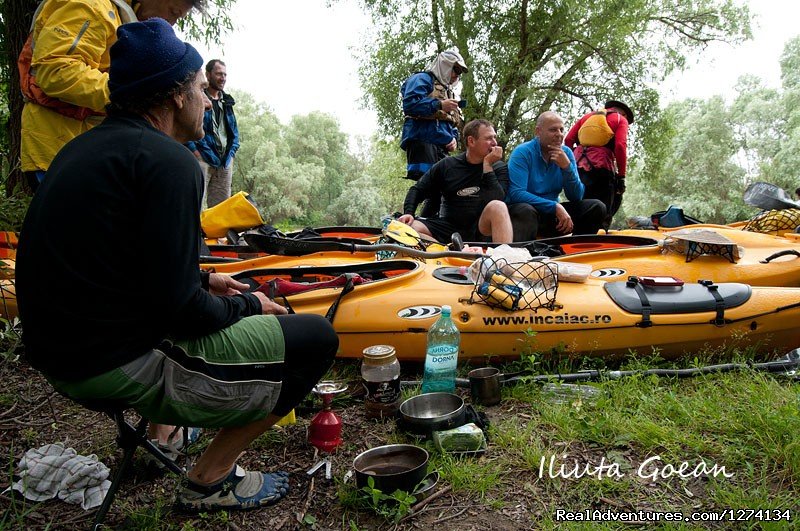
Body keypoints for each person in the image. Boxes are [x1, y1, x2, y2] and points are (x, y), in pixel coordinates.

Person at [15, 19, 339, 512]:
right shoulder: (170, 162)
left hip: (58, 355)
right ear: (173, 96)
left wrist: (207, 279)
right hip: (110, 362)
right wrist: (250, 303)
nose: (208, 101)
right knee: (316, 340)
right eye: (198, 88)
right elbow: (182, 313)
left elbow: (114, 261)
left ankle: (185, 446)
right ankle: (210, 479)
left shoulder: (80, 151)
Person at [19, 0, 202, 190]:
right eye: (173, 12)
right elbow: (56, 71)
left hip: (85, 150)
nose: (170, 23)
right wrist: (133, 94)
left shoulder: (119, 16)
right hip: (56, 149)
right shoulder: (90, 5)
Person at [398, 119, 513, 243]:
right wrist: (409, 213)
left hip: (480, 229)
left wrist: (488, 166)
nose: (495, 143)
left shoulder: (498, 167)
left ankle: (503, 259)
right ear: (471, 141)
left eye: (495, 137)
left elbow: (498, 197)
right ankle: (447, 250)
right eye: (489, 138)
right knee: (408, 228)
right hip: (449, 228)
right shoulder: (447, 165)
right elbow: (417, 189)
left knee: (498, 206)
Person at [506, 111, 606, 238]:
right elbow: (516, 193)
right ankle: (527, 251)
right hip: (527, 213)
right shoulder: (522, 152)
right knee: (525, 210)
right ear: (538, 131)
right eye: (553, 130)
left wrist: (567, 168)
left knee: (597, 207)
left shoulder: (567, 153)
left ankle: (574, 249)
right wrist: (554, 206)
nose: (559, 134)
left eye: (561, 130)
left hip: (553, 215)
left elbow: (576, 196)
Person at [399, 47, 468, 218]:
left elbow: (451, 122)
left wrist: (454, 138)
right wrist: (438, 105)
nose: (456, 75)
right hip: (422, 141)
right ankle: (409, 218)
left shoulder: (448, 92)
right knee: (428, 186)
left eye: (460, 72)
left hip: (440, 147)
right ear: (445, 65)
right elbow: (410, 105)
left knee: (445, 189)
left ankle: (423, 225)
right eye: (455, 69)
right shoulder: (421, 79)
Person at [564, 100, 634, 230]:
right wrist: (621, 176)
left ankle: (574, 237)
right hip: (602, 168)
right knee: (603, 209)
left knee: (581, 206)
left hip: (578, 166)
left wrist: (570, 162)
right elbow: (620, 146)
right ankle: (596, 241)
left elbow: (568, 139)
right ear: (624, 114)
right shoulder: (620, 119)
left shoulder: (588, 117)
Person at [185, 59, 240, 208]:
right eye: (218, 74)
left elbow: (234, 132)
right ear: (208, 75)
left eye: (225, 74)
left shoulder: (227, 102)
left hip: (224, 162)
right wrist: (195, 152)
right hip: (202, 158)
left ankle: (216, 233)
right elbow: (187, 125)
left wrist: (231, 154)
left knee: (221, 209)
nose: (223, 78)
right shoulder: (198, 98)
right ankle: (196, 232)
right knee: (195, 205)